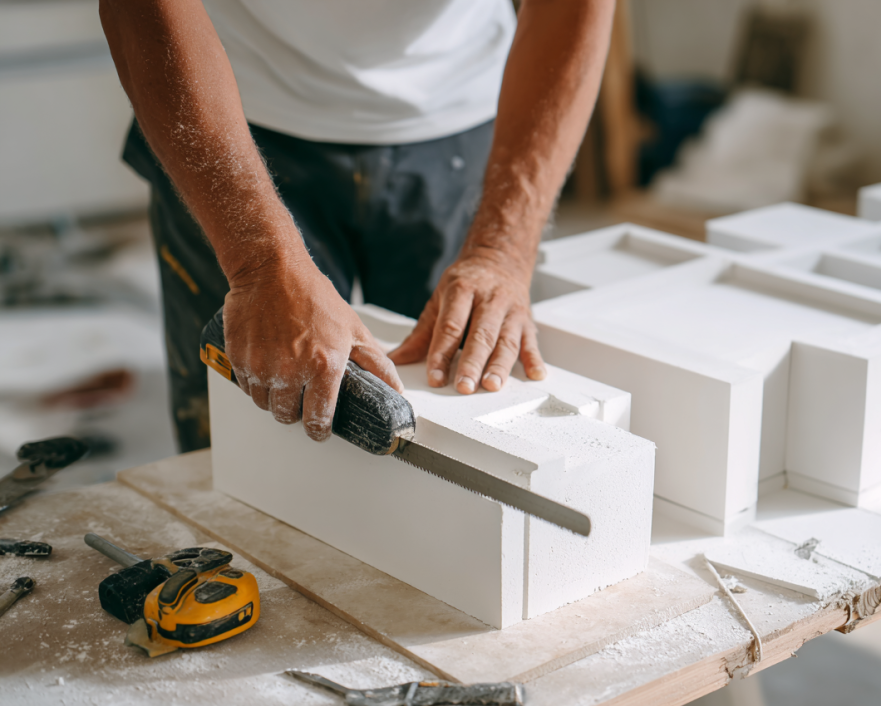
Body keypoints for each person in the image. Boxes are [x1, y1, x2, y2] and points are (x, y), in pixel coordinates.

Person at [100, 0, 615, 451]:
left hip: (461, 113)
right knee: (242, 444)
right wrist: (259, 263)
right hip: (230, 116)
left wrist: (503, 248)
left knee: (445, 411)